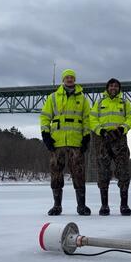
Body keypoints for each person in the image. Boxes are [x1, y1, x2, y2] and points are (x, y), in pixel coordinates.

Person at [40, 69, 91, 216]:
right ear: (63, 80)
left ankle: (81, 206)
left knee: (79, 173)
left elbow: (87, 119)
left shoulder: (82, 99)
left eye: (72, 77)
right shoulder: (53, 97)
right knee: (56, 173)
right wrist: (45, 134)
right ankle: (57, 206)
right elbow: (45, 117)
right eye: (67, 77)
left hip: (76, 143)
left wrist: (86, 136)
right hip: (57, 142)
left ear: (74, 80)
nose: (69, 79)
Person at [90, 78, 131, 216]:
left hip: (119, 138)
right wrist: (101, 131)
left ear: (119, 88)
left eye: (116, 86)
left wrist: (122, 129)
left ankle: (124, 205)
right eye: (111, 86)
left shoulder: (124, 103)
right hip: (102, 139)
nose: (113, 88)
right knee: (103, 171)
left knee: (123, 170)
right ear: (107, 88)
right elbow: (92, 119)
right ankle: (104, 206)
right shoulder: (99, 102)